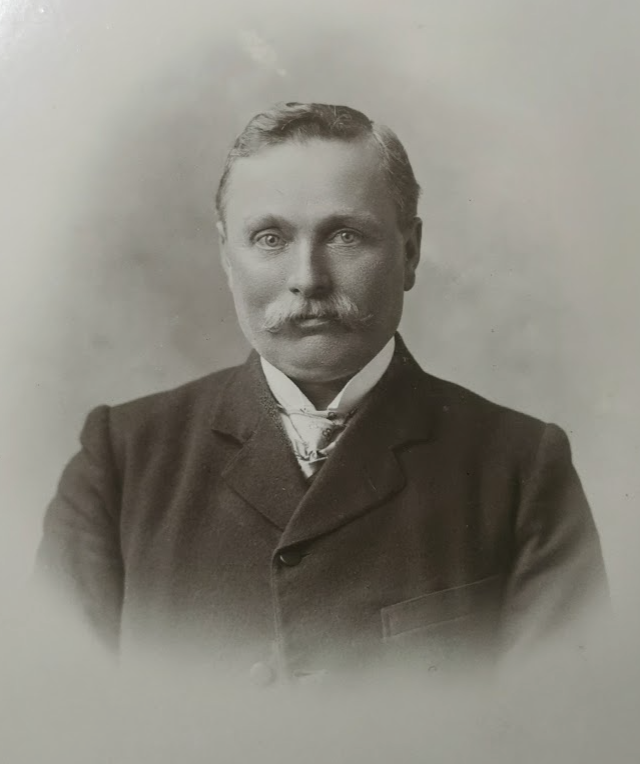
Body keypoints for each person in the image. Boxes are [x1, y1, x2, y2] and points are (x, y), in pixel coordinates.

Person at [36, 102, 608, 685]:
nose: (308, 278)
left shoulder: (522, 468)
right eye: (270, 238)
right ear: (227, 258)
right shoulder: (121, 460)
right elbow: (58, 710)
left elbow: (563, 719)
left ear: (410, 251)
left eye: (345, 235)